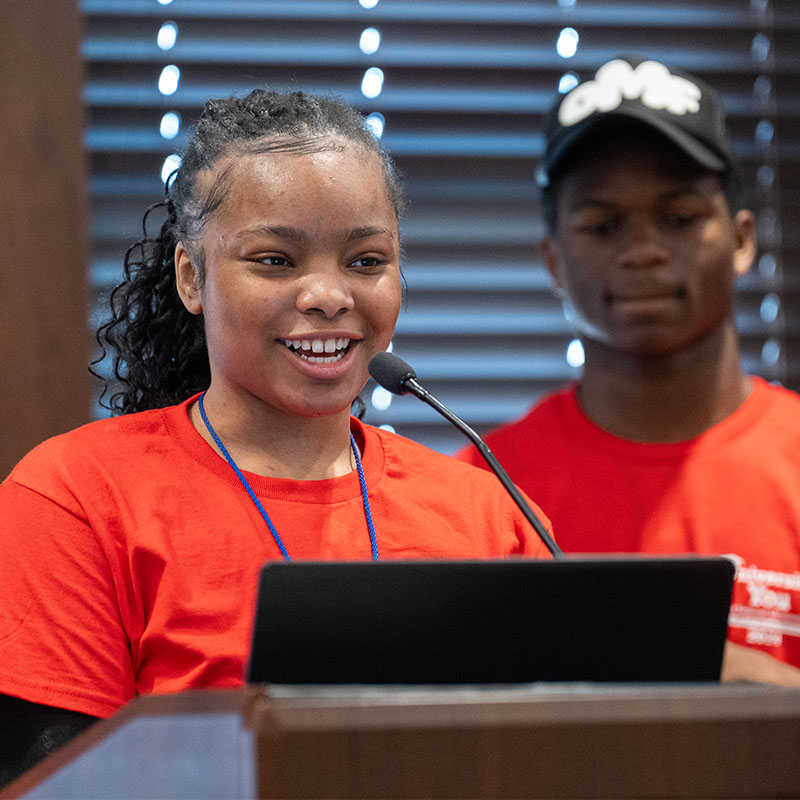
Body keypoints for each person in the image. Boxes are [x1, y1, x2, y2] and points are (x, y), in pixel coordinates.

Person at [0, 89, 552, 786]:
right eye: (275, 260)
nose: (328, 295)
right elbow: (49, 778)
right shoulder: (75, 497)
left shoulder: (488, 515)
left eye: (365, 261)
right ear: (192, 277)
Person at [456, 56, 800, 684]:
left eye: (679, 218)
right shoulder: (485, 490)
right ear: (554, 262)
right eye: (603, 224)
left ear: (743, 240)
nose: (642, 251)